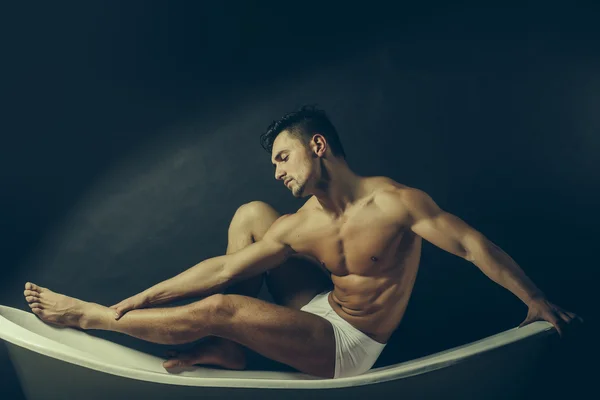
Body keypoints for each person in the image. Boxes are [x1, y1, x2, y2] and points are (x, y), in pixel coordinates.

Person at [23, 105, 582, 379]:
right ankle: (230, 349)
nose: (277, 171)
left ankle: (88, 317)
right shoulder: (300, 223)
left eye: (283, 158)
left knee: (221, 309)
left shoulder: (396, 204)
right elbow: (221, 267)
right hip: (316, 313)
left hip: (348, 347)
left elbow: (471, 245)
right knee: (252, 214)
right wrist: (144, 296)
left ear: (318, 146)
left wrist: (531, 298)